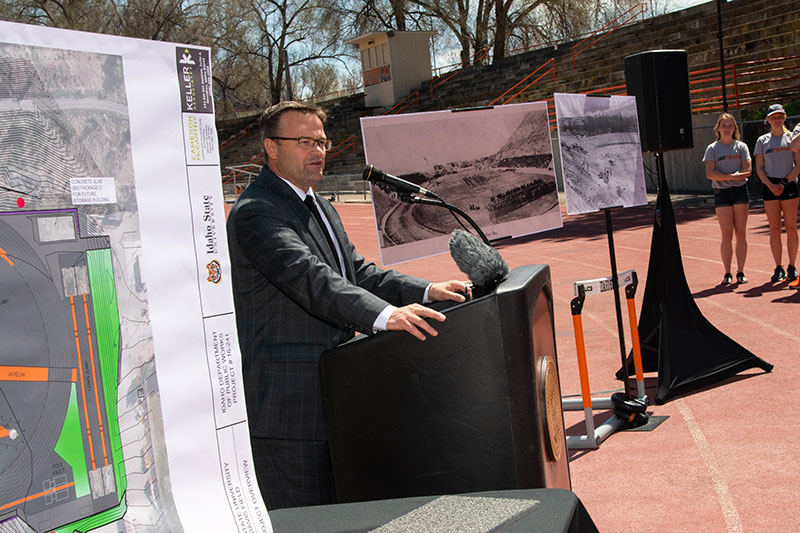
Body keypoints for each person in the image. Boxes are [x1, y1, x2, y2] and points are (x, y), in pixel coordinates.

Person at [226, 101, 469, 510]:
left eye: (322, 141)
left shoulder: (318, 204)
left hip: (335, 392)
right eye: (304, 141)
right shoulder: (257, 211)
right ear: (271, 147)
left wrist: (426, 291)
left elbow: (355, 272)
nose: (318, 151)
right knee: (303, 520)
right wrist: (387, 316)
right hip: (288, 411)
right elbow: (310, 279)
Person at [702, 113, 752, 285]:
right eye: (724, 125)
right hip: (722, 194)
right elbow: (710, 173)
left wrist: (725, 176)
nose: (727, 129)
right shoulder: (712, 149)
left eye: (730, 125)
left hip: (740, 193)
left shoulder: (741, 147)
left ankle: (741, 271)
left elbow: (747, 170)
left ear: (734, 129)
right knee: (726, 235)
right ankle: (727, 272)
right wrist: (732, 175)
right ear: (718, 128)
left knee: (741, 233)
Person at [754, 103, 800, 283]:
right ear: (768, 120)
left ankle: (792, 266)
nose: (777, 119)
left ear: (785, 117)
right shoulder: (762, 141)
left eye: (780, 116)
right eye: (773, 116)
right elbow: (759, 168)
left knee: (790, 226)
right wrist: (771, 185)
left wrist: (784, 182)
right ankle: (778, 266)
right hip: (769, 186)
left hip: (788, 185)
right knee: (774, 228)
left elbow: (798, 165)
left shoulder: (792, 138)